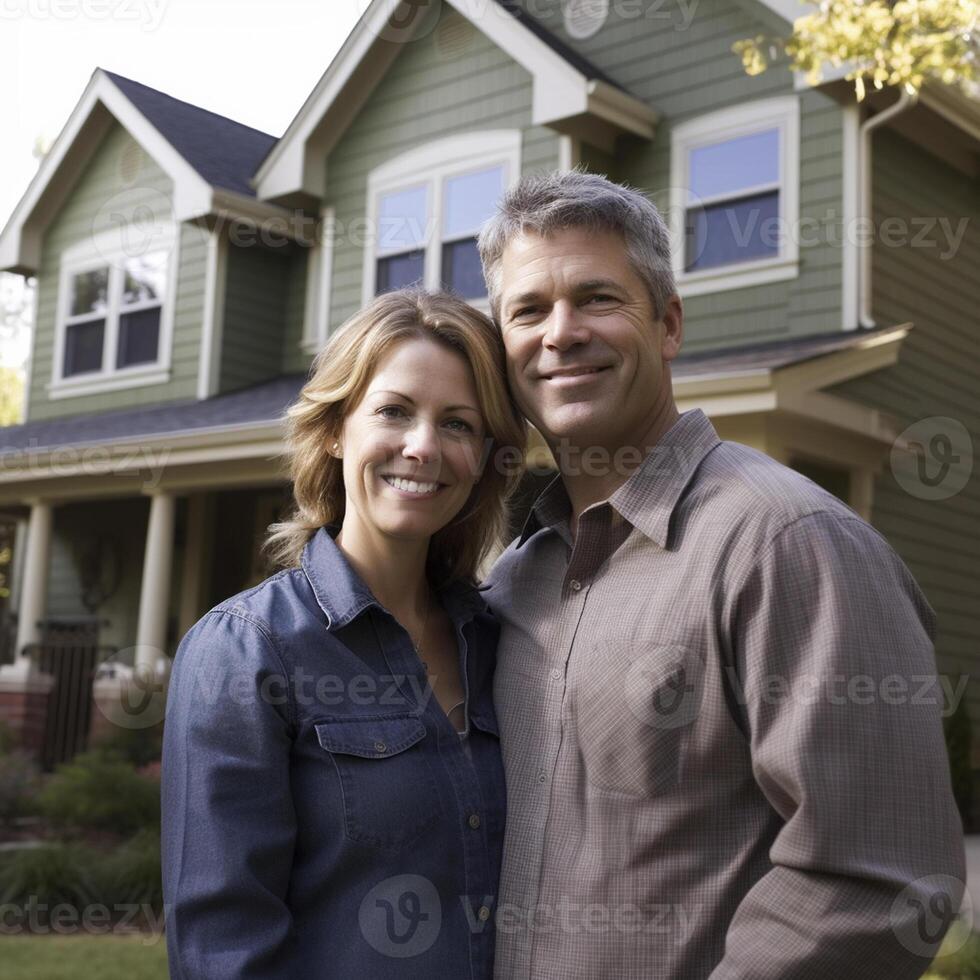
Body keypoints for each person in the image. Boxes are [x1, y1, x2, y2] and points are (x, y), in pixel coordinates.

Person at [476, 170, 966, 979]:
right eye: (527, 310)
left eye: (598, 298)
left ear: (668, 324)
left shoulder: (788, 543)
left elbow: (878, 880)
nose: (560, 333)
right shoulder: (517, 580)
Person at [161, 288, 526, 979]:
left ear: (482, 458)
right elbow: (222, 947)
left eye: (458, 425)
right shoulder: (247, 649)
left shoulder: (500, 641)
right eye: (394, 411)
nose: (423, 447)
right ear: (335, 429)